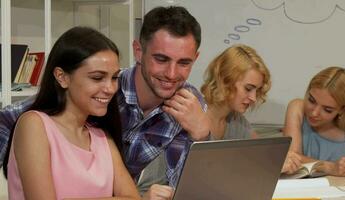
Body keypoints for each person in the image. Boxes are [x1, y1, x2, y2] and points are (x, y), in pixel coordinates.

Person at [0, 6, 209, 200]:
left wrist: (202, 138)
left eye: (183, 62)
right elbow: (14, 118)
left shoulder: (102, 135)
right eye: (161, 59)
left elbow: (184, 188)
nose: (172, 73)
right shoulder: (36, 123)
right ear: (138, 51)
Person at [4, 26, 140, 199]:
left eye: (114, 77)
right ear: (62, 77)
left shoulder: (102, 137)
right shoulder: (34, 125)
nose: (111, 88)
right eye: (97, 78)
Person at [137, 44, 272, 198]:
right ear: (226, 80)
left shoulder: (238, 123)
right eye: (248, 89)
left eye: (257, 90)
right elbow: (145, 189)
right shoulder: (179, 113)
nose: (253, 98)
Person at [282, 66, 345, 177]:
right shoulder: (297, 108)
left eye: (327, 110)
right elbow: (291, 159)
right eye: (311, 100)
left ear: (342, 109)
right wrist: (329, 167)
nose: (314, 113)